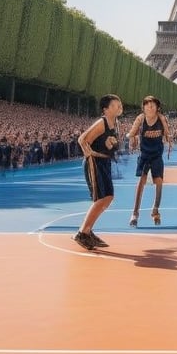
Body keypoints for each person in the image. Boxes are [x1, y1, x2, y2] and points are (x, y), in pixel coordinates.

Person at [73, 94, 123, 251]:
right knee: (100, 198)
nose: (119, 107)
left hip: (105, 162)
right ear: (106, 109)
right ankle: (82, 233)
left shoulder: (116, 123)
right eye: (115, 105)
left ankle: (88, 231)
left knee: (108, 197)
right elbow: (82, 139)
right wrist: (89, 155)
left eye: (119, 104)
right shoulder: (101, 123)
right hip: (95, 162)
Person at [127, 95, 172, 227]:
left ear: (157, 107)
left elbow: (167, 134)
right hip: (145, 154)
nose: (150, 106)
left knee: (159, 182)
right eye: (147, 104)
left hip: (157, 154)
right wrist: (131, 138)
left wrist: (169, 140)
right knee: (141, 182)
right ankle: (135, 213)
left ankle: (155, 210)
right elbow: (132, 132)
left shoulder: (162, 118)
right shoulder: (140, 119)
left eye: (152, 104)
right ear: (144, 107)